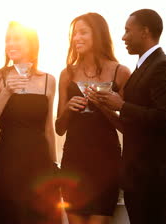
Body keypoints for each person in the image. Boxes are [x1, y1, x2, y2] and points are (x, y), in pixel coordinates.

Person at [89, 9, 166, 224]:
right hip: (139, 177)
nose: (123, 37)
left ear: (144, 32)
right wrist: (106, 107)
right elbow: (132, 126)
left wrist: (122, 105)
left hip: (156, 177)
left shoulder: (163, 67)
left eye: (127, 31)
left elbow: (165, 120)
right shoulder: (143, 67)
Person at [0, 21, 60, 224]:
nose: (10, 44)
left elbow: (48, 128)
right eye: (8, 39)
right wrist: (7, 91)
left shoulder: (48, 80)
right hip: (8, 161)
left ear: (32, 44)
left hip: (39, 163)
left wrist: (54, 165)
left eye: (17, 38)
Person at [55, 12, 131, 224]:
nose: (76, 38)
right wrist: (69, 108)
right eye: (74, 34)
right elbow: (59, 128)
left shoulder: (120, 73)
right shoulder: (67, 74)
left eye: (83, 32)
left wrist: (103, 107)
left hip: (106, 164)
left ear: (97, 35)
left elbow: (127, 127)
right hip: (74, 161)